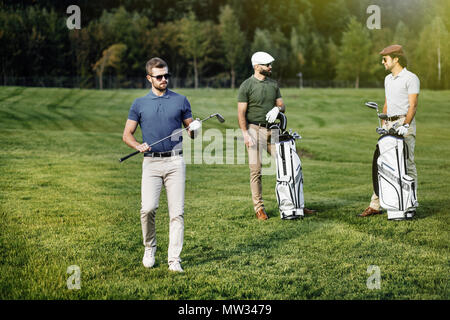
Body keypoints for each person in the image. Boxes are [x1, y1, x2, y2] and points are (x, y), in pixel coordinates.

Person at [122, 57, 201, 272]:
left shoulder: (181, 100)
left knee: (177, 213)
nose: (164, 79)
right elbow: (127, 134)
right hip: (151, 163)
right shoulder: (139, 103)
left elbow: (191, 133)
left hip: (175, 160)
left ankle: (174, 259)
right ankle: (150, 248)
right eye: (159, 76)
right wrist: (138, 145)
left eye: (167, 75)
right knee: (148, 209)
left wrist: (195, 127)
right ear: (149, 78)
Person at [237, 51, 315, 220]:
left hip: (273, 131)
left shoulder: (273, 85)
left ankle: (297, 204)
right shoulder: (246, 86)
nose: (270, 67)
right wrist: (245, 134)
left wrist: (277, 109)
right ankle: (259, 208)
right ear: (257, 67)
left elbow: (282, 105)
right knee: (256, 171)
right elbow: (241, 113)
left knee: (289, 167)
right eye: (267, 65)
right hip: (254, 131)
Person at [360, 44, 420, 218]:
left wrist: (406, 125)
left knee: (407, 164)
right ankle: (376, 205)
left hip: (404, 123)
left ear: (396, 59)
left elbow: (413, 105)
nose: (382, 62)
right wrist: (384, 122)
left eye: (385, 59)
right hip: (389, 125)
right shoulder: (388, 79)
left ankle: (410, 203)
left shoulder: (411, 78)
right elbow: (386, 103)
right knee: (382, 163)